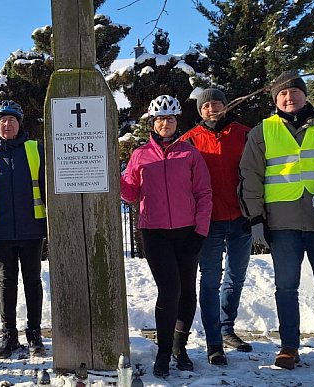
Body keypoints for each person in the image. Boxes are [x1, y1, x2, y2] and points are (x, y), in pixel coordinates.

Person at [238, 70, 314, 373]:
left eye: (295, 91)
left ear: (305, 94)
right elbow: (250, 176)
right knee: (285, 287)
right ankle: (289, 346)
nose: (289, 98)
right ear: (275, 99)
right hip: (282, 222)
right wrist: (255, 219)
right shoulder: (263, 131)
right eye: (282, 94)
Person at [121, 95, 212, 377]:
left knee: (187, 291)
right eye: (160, 119)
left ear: (177, 122)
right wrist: (117, 178)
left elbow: (204, 194)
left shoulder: (189, 153)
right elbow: (131, 194)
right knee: (169, 290)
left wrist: (200, 231)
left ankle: (179, 347)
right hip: (155, 233)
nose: (165, 123)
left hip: (187, 233)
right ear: (153, 122)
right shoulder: (140, 155)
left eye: (170, 118)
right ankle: (162, 352)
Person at [179, 88, 252, 365]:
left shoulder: (245, 133)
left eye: (217, 103)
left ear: (226, 105)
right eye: (206, 105)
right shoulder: (190, 141)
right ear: (200, 111)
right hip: (208, 221)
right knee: (210, 279)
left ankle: (227, 328)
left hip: (241, 218)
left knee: (236, 276)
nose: (212, 109)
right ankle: (214, 340)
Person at [0, 100, 47, 359]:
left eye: (11, 119)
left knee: (33, 282)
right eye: (2, 120)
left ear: (19, 122)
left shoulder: (35, 149)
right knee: (7, 283)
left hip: (32, 230)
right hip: (0, 232)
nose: (7, 124)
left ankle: (34, 333)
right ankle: (8, 334)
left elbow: (49, 190)